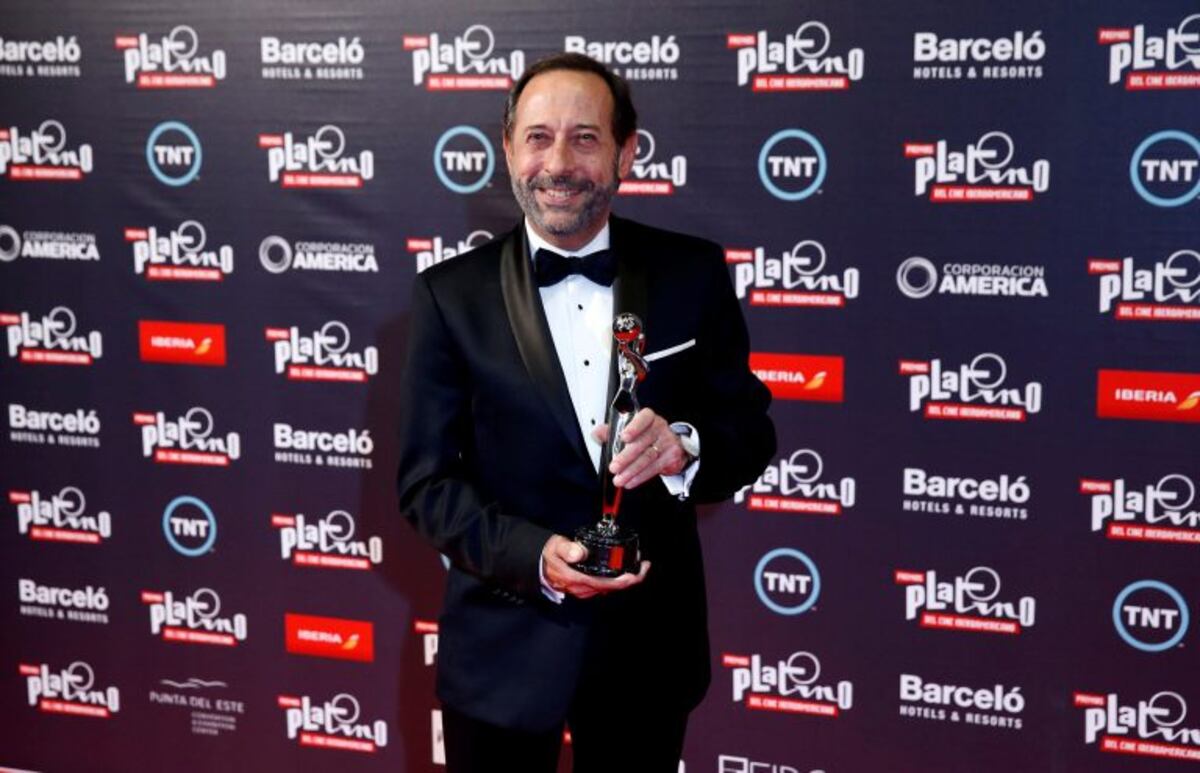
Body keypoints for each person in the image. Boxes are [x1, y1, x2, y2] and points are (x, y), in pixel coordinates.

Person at [396, 52, 775, 772]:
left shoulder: (691, 273)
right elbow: (426, 484)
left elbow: (750, 431)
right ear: (508, 148)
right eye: (538, 137)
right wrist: (533, 557)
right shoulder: (449, 296)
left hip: (646, 653)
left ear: (628, 151)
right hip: (501, 651)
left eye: (586, 137)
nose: (559, 162)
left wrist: (684, 447)